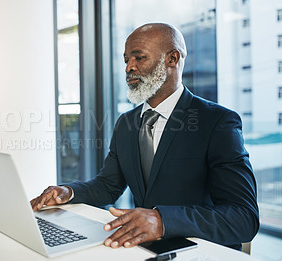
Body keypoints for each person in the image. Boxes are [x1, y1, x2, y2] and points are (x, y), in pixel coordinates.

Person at [30, 23, 259, 250]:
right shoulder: (126, 123)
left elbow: (243, 217)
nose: (129, 67)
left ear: (172, 59)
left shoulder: (217, 121)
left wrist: (162, 220)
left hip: (197, 251)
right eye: (126, 59)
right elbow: (108, 186)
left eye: (139, 58)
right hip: (141, 250)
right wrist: (68, 192)